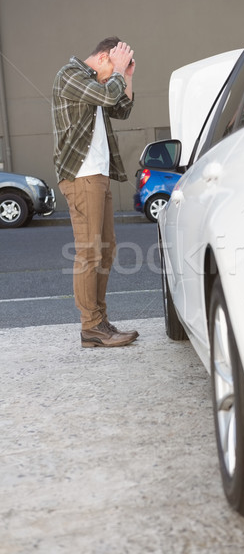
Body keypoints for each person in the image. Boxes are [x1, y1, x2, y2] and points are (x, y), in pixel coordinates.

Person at [52, 37, 139, 348]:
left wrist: (125, 76)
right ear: (103, 58)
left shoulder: (97, 84)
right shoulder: (70, 75)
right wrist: (116, 72)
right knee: (90, 251)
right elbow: (106, 94)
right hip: (81, 175)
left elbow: (122, 108)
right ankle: (90, 326)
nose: (114, 73)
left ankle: (99, 321)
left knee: (106, 248)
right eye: (112, 65)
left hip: (99, 175)